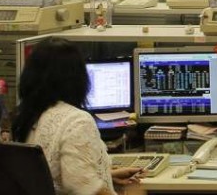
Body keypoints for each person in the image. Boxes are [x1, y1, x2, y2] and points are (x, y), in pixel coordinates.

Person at [11, 38, 143, 195]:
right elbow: (85, 190)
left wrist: (108, 176)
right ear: (77, 78)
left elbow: (51, 178)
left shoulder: (27, 117)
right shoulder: (76, 120)